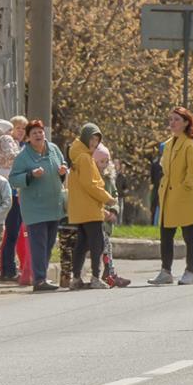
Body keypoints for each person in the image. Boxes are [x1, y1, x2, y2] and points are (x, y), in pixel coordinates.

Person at [149, 107, 193, 285]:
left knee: (190, 235)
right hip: (168, 195)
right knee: (166, 234)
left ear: (186, 122)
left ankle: (189, 272)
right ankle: (165, 271)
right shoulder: (168, 144)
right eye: (171, 119)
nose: (172, 123)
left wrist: (184, 186)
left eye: (177, 120)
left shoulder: (190, 144)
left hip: (186, 196)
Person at [9, 119, 67, 292]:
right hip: (35, 208)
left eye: (40, 132)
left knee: (48, 243)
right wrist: (30, 175)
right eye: (34, 133)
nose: (38, 135)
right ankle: (39, 279)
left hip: (53, 205)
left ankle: (41, 277)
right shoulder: (23, 156)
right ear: (28, 137)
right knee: (38, 244)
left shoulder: (54, 149)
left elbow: (62, 166)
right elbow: (13, 179)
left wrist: (63, 171)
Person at [66, 123, 116, 290]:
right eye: (92, 139)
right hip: (90, 208)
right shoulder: (86, 158)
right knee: (97, 243)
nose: (94, 143)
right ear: (86, 138)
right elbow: (91, 184)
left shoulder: (76, 155)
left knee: (81, 244)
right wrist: (108, 199)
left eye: (97, 139)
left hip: (79, 208)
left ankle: (76, 278)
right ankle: (95, 276)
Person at [93, 143, 130, 287]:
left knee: (107, 246)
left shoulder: (109, 178)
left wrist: (114, 210)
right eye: (101, 161)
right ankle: (107, 273)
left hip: (107, 219)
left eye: (106, 161)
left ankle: (109, 272)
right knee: (103, 245)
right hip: (96, 216)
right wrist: (102, 212)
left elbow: (114, 195)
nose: (104, 164)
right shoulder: (92, 178)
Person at [0, 116, 27, 281]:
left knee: (15, 232)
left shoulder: (20, 145)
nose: (21, 132)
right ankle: (6, 269)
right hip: (9, 192)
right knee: (10, 232)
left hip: (17, 192)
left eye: (24, 129)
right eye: (18, 128)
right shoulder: (7, 143)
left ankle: (10, 267)